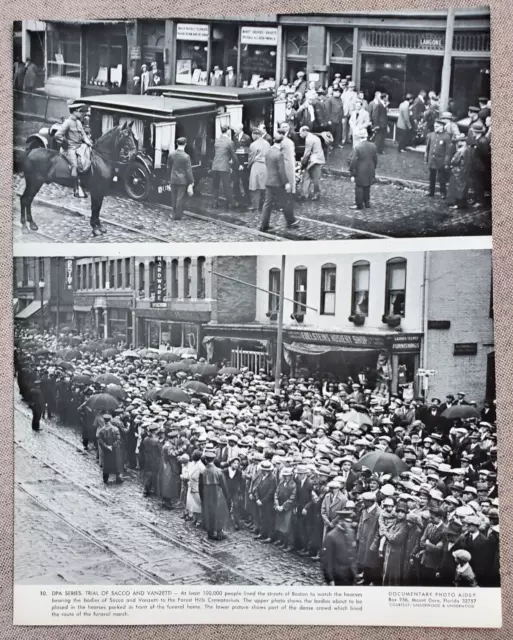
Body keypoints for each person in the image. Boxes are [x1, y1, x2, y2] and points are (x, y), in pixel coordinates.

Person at [259, 133, 299, 233]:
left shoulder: (268, 151)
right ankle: (291, 222)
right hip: (277, 183)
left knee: (267, 204)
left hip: (268, 181)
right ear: (281, 143)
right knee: (285, 202)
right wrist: (286, 183)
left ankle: (264, 225)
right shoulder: (279, 154)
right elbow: (281, 170)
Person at [54, 102, 92, 198]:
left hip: (80, 146)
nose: (81, 113)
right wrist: (64, 142)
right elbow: (57, 135)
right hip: (70, 148)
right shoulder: (67, 122)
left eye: (81, 111)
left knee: (87, 160)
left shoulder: (78, 122)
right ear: (73, 112)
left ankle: (85, 183)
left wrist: (88, 142)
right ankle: (75, 189)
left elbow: (83, 135)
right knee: (74, 165)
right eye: (79, 111)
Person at [321, 504, 358, 585]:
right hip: (338, 576)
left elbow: (352, 555)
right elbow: (327, 561)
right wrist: (330, 579)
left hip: (349, 575)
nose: (349, 524)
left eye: (350, 522)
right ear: (341, 522)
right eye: (347, 522)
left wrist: (354, 573)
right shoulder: (331, 536)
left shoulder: (351, 533)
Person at [199, 449, 231, 540]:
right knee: (219, 512)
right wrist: (227, 496)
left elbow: (200, 486)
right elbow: (224, 485)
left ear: (206, 460)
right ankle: (219, 532)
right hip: (217, 493)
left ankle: (210, 532)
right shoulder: (219, 471)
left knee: (209, 512)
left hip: (206, 494)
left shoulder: (202, 471)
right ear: (214, 459)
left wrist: (202, 497)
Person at [211, 125, 239, 210]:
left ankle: (214, 203)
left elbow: (213, 154)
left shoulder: (216, 141)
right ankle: (231, 203)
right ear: (228, 131)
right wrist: (238, 165)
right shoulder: (229, 142)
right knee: (227, 185)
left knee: (215, 185)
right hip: (224, 166)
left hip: (215, 166)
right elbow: (233, 155)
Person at [349, 128, 378, 210]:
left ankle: (359, 204)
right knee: (367, 187)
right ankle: (367, 202)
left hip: (360, 170)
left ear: (359, 137)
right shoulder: (373, 145)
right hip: (370, 169)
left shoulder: (358, 147)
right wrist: (374, 167)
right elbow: (375, 159)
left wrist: (352, 173)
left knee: (359, 187)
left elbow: (353, 161)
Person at [166, 137, 194, 221]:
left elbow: (168, 167)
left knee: (173, 197)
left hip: (173, 179)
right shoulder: (186, 156)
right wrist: (191, 181)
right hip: (182, 181)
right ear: (185, 144)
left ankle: (173, 213)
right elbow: (188, 170)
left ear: (177, 144)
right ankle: (178, 216)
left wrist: (169, 178)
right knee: (180, 199)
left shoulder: (171, 154)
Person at [425, 119, 453, 199]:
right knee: (431, 177)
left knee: (441, 178)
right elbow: (428, 147)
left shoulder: (447, 136)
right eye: (434, 126)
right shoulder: (431, 135)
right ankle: (431, 191)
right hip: (432, 159)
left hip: (441, 160)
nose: (435, 128)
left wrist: (446, 162)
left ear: (442, 127)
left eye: (437, 126)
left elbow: (448, 151)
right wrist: (427, 158)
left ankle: (443, 192)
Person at [299, 126, 325, 200]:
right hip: (315, 159)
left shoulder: (309, 139)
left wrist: (303, 162)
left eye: (301, 132)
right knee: (308, 176)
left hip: (315, 160)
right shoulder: (313, 137)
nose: (300, 134)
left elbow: (307, 153)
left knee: (314, 178)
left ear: (305, 131)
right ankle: (305, 194)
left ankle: (314, 194)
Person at [274, 467, 297, 549]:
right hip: (279, 506)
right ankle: (282, 541)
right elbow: (276, 493)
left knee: (287, 527)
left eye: (288, 476)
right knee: (280, 525)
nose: (286, 477)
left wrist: (283, 507)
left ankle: (289, 544)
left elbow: (292, 498)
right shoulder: (281, 483)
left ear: (291, 476)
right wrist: (277, 504)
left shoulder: (293, 485)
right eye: (285, 475)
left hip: (288, 508)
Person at [247, 129, 270, 212]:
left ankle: (255, 205)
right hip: (265, 166)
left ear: (255, 135)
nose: (252, 137)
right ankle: (265, 204)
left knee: (254, 186)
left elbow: (251, 158)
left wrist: (249, 165)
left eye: (252, 135)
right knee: (264, 186)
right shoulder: (267, 143)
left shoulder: (253, 145)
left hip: (256, 165)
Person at [447, 134, 471, 210]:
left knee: (456, 188)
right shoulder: (468, 149)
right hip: (465, 170)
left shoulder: (460, 151)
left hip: (457, 171)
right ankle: (463, 203)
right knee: (463, 187)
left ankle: (456, 203)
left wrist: (451, 165)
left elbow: (453, 160)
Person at [97, 414, 123, 485]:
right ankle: (118, 478)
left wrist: (107, 446)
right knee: (117, 463)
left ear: (104, 420)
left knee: (106, 465)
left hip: (107, 451)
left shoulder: (101, 430)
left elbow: (100, 441)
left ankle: (105, 479)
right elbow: (118, 439)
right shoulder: (115, 429)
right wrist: (113, 446)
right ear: (110, 420)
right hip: (115, 450)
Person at [232, 124, 251, 206]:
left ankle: (247, 196)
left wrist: (245, 163)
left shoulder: (247, 137)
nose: (234, 130)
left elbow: (249, 151)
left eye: (235, 129)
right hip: (236, 162)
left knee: (245, 180)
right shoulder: (235, 136)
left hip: (244, 162)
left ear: (240, 129)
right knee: (235, 180)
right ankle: (237, 195)